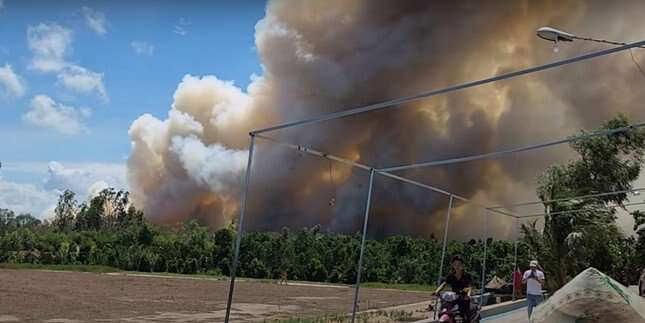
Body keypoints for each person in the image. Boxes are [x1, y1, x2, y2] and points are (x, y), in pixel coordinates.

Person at [434, 255, 473, 320]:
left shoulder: (467, 276)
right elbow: (444, 284)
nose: (457, 266)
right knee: (443, 310)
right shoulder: (451, 275)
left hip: (463, 299)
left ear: (462, 265)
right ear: (452, 265)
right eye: (455, 264)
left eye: (459, 264)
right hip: (453, 298)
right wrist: (436, 291)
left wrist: (468, 295)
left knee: (464, 316)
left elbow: (469, 287)